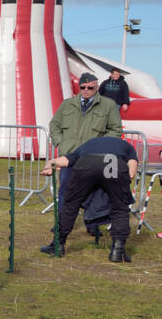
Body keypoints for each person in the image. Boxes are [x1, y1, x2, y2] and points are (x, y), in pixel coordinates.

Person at [40, 136, 139, 262]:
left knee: (71, 205)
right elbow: (132, 170)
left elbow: (64, 161)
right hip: (115, 165)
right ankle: (117, 252)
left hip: (86, 163)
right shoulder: (127, 146)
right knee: (120, 208)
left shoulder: (88, 144)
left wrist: (49, 165)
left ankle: (57, 246)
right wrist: (118, 186)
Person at [48, 72, 121, 240]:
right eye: (83, 87)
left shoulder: (108, 105)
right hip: (69, 157)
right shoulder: (67, 105)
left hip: (93, 159)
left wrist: (99, 146)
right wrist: (60, 143)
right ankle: (61, 225)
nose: (86, 90)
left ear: (97, 87)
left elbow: (115, 130)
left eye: (90, 87)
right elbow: (55, 125)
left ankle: (93, 225)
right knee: (65, 191)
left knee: (93, 192)